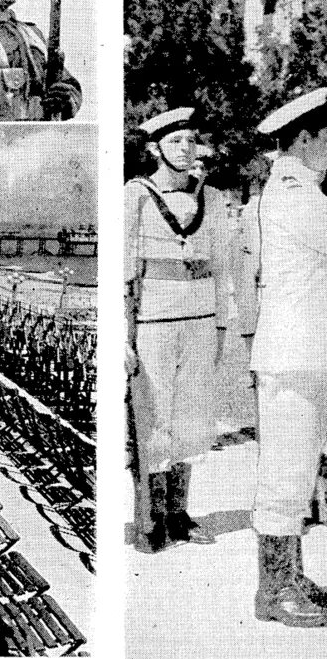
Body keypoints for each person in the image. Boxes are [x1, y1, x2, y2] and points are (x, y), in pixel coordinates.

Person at [125, 107, 231, 553]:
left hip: (201, 320)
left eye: (190, 141)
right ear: (155, 149)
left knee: (191, 418)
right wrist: (121, 337)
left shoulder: (215, 199)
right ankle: (149, 516)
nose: (185, 150)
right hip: (153, 321)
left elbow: (223, 267)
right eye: (175, 142)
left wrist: (223, 324)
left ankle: (178, 512)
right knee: (153, 419)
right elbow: (122, 271)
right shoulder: (136, 196)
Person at [241, 89, 327, 627]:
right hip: (293, 354)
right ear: (309, 136)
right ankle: (273, 591)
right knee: (287, 472)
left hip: (304, 351)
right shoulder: (297, 194)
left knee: (296, 470)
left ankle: (291, 577)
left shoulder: (299, 189)